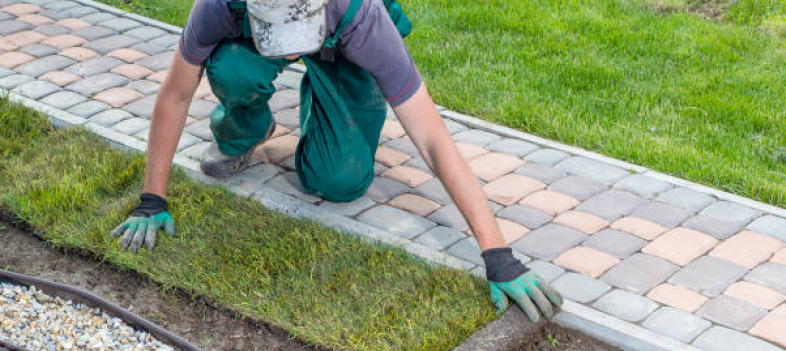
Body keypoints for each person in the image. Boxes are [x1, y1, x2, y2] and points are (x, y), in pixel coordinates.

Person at [110, 0, 563, 323]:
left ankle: (328, 99)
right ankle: (248, 129)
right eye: (280, 41)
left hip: (346, 47)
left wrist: (497, 253)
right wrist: (152, 199)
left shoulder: (362, 18)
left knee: (339, 180)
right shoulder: (220, 6)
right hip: (259, 37)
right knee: (232, 68)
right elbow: (175, 95)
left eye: (297, 43)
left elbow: (432, 140)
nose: (291, 55)